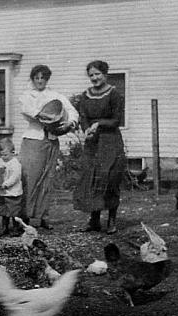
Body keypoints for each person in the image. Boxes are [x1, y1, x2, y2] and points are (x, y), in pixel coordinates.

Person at [19, 65, 78, 230]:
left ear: (47, 79)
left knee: (47, 178)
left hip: (51, 140)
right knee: (29, 178)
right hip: (33, 140)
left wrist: (70, 123)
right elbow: (28, 110)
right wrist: (47, 116)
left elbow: (71, 110)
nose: (39, 81)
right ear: (32, 79)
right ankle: (25, 217)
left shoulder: (55, 95)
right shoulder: (26, 95)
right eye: (36, 78)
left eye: (43, 78)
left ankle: (43, 216)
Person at [72, 60, 127, 235]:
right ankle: (94, 220)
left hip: (110, 141)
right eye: (91, 75)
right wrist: (86, 129)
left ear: (105, 75)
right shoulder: (86, 95)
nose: (94, 78)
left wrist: (99, 124)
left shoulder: (114, 94)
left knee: (109, 178)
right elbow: (83, 116)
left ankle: (111, 220)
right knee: (92, 178)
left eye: (98, 74)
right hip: (92, 143)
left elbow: (117, 120)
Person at [0, 138, 23, 236]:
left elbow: (15, 177)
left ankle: (16, 228)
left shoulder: (15, 163)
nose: (3, 157)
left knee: (14, 211)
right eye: (1, 154)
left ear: (12, 152)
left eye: (5, 155)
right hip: (2, 192)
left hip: (13, 192)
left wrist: (6, 184)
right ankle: (4, 228)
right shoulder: (0, 161)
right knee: (4, 210)